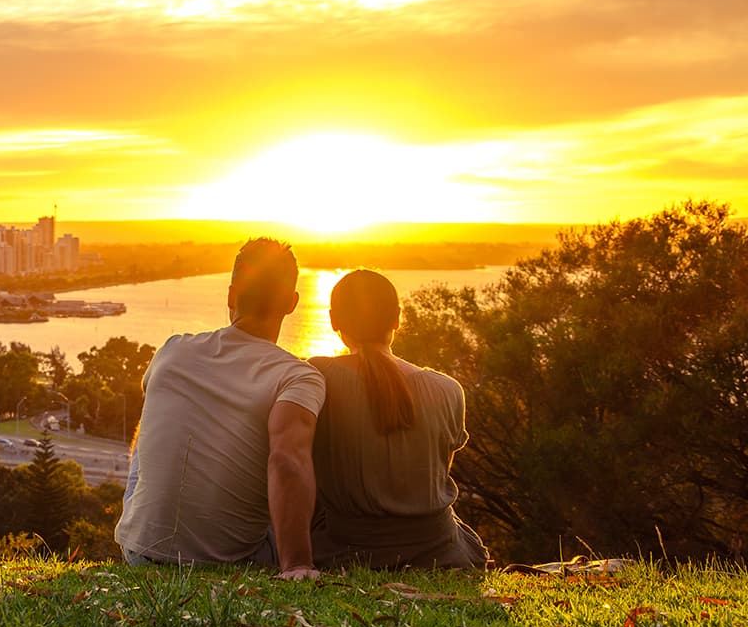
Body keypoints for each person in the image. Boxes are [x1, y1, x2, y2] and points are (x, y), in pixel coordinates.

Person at [116, 238, 324, 578]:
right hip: (232, 563)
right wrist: (298, 564)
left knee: (151, 414)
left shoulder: (172, 350)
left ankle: (151, 528)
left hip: (139, 552)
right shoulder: (296, 375)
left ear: (231, 295)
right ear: (292, 303)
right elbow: (288, 461)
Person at [306, 270, 485, 569]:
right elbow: (435, 472)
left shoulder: (318, 377)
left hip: (348, 550)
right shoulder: (448, 390)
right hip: (437, 549)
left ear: (334, 320)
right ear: (397, 318)